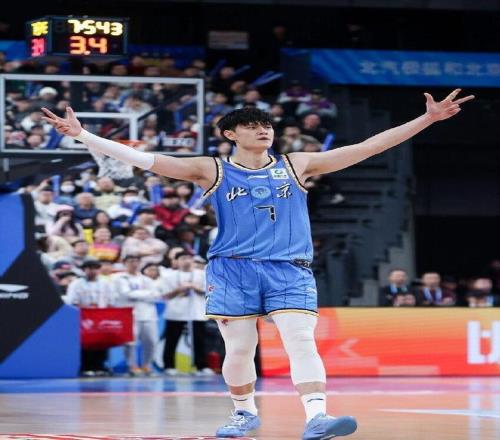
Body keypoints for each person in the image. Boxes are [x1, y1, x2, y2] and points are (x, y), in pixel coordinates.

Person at [42, 87, 474, 440]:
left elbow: (367, 147)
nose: (263, 130)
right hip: (232, 268)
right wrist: (83, 135)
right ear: (231, 134)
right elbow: (147, 161)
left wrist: (426, 120)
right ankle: (243, 411)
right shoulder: (210, 169)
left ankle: (317, 417)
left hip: (289, 267)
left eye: (266, 124)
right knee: (240, 348)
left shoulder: (296, 164)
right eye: (252, 126)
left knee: (300, 340)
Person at [161, 251, 212, 376]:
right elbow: (165, 295)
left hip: (197, 312)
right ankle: (169, 365)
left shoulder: (202, 274)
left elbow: (210, 292)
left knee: (199, 340)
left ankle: (201, 366)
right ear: (176, 261)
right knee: (172, 339)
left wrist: (196, 288)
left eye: (190, 258)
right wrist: (179, 290)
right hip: (176, 312)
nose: (187, 261)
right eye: (183, 258)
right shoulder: (169, 276)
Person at [114, 255, 162, 376]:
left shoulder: (146, 279)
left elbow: (156, 295)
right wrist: (147, 294)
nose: (134, 264)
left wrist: (137, 294)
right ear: (125, 263)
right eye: (131, 261)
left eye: (136, 261)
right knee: (130, 342)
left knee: (151, 341)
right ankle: (132, 365)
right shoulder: (120, 279)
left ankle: (147, 365)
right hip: (130, 315)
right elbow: (126, 294)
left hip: (149, 314)